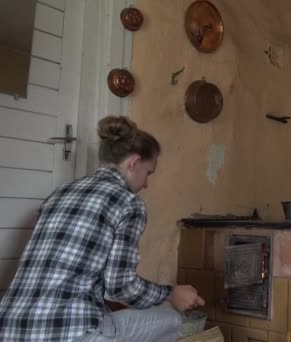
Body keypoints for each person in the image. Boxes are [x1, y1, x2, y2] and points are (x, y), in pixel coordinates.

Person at [0, 116, 204, 341]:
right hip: (71, 331)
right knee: (170, 320)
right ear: (134, 162)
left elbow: (72, 274)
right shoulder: (128, 202)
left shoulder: (61, 192)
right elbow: (120, 285)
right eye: (149, 173)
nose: (146, 184)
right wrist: (171, 294)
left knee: (114, 314)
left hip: (10, 327)